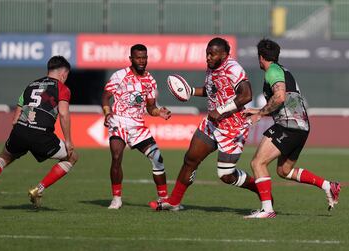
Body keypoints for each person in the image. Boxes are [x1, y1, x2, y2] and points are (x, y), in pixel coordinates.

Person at [149, 37, 259, 211]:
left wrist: (221, 110)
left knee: (226, 175)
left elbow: (246, 95)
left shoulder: (233, 68)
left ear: (224, 55)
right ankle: (174, 201)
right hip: (212, 124)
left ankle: (260, 189)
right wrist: (191, 91)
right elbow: (212, 90)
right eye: (207, 53)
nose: (208, 57)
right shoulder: (212, 66)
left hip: (232, 127)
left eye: (212, 54)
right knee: (190, 159)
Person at [243, 39, 340, 219]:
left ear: (261, 57)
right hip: (301, 127)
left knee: (258, 163)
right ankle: (328, 185)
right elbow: (284, 100)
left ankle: (267, 210)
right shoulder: (282, 70)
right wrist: (258, 111)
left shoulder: (272, 71)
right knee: (284, 171)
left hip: (288, 126)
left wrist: (258, 114)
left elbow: (279, 98)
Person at [0, 56, 78, 210]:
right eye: (66, 76)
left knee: (4, 157)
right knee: (72, 157)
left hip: (20, 130)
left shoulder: (31, 85)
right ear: (63, 74)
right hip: (41, 135)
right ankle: (37, 190)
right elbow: (63, 114)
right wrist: (68, 140)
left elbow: (15, 118)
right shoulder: (62, 88)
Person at [101, 44, 171, 209]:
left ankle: (164, 198)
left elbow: (150, 107)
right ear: (131, 59)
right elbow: (105, 97)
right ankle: (116, 198)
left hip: (138, 126)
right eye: (138, 58)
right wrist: (107, 113)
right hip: (118, 121)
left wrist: (159, 112)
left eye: (144, 57)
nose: (141, 61)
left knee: (157, 159)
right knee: (117, 157)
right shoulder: (120, 75)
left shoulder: (150, 81)